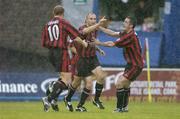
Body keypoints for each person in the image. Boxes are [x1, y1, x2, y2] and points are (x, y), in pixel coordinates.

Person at [41, 5, 88, 112]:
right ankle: (48, 98)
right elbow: (75, 35)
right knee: (67, 80)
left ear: (54, 13)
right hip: (61, 52)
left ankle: (53, 98)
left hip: (51, 53)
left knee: (63, 78)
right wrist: (84, 43)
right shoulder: (63, 22)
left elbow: (43, 42)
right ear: (63, 13)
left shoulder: (47, 24)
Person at [98, 16, 144, 112]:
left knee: (119, 83)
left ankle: (119, 109)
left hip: (136, 65)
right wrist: (98, 26)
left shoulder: (130, 36)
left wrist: (97, 43)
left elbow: (112, 44)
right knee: (125, 85)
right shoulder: (127, 33)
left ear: (131, 25)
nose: (124, 23)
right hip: (132, 64)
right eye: (124, 21)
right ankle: (124, 108)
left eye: (126, 22)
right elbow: (113, 33)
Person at [63, 13, 108, 112]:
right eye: (91, 19)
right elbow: (85, 32)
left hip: (92, 58)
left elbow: (91, 42)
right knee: (76, 83)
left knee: (100, 76)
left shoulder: (95, 30)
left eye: (95, 19)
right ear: (86, 20)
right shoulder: (81, 28)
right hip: (82, 59)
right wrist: (98, 24)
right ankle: (67, 98)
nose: (93, 20)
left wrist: (98, 49)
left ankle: (90, 102)